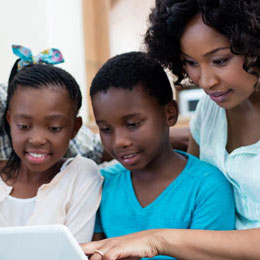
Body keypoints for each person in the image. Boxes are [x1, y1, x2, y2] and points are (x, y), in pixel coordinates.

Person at [81, 0, 260, 259]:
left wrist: (156, 239)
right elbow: (190, 177)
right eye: (191, 63)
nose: (206, 81)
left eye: (220, 60)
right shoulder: (211, 110)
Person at [82, 51, 235, 259]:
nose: (119, 141)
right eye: (106, 129)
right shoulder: (102, 184)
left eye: (133, 124)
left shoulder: (207, 187)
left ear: (169, 114)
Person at [0, 45, 103, 243]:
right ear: (9, 120)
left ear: (75, 128)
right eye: (24, 126)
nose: (37, 139)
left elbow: (72, 252)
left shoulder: (81, 175)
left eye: (54, 128)